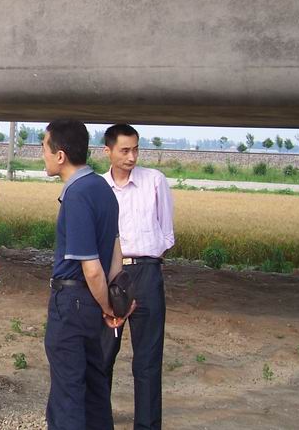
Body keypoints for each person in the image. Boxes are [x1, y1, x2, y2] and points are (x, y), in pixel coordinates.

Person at [41, 119, 126, 430]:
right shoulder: (103, 188)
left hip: (72, 304)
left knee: (68, 396)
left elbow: (91, 269)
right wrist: (112, 303)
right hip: (90, 308)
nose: (42, 154)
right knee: (95, 390)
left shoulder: (77, 194)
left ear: (60, 155)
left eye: (44, 147)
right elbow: (115, 255)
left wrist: (107, 308)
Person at [101, 124, 174, 430]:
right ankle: (99, 421)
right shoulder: (99, 187)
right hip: (111, 276)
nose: (131, 157)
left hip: (147, 274)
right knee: (103, 355)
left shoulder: (155, 181)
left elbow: (167, 233)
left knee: (148, 361)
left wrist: (150, 260)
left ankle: (147, 425)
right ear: (108, 151)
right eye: (124, 150)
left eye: (135, 150)